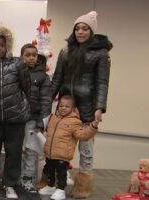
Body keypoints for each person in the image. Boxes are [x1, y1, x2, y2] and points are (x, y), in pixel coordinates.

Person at [50, 11, 113, 198]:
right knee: (60, 147)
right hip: (66, 107)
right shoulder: (65, 51)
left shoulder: (101, 53)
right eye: (77, 28)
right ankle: (53, 180)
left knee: (86, 150)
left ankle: (83, 185)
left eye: (85, 28)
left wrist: (99, 107)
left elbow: (102, 82)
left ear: (91, 31)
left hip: (87, 107)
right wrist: (47, 103)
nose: (80, 32)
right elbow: (57, 79)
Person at [0, 25, 31, 199]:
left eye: (3, 45)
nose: (0, 48)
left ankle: (10, 185)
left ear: (8, 45)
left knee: (13, 152)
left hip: (15, 118)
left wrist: (20, 106)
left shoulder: (18, 64)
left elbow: (27, 87)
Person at [38, 95, 99, 200]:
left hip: (63, 156)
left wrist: (93, 126)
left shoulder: (75, 122)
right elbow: (47, 130)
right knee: (48, 170)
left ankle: (60, 190)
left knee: (61, 173)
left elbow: (83, 135)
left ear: (73, 108)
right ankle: (50, 186)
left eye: (67, 106)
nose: (63, 108)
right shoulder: (53, 118)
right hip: (50, 154)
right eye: (61, 106)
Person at [19, 44, 51, 193]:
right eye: (28, 55)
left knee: (31, 150)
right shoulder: (15, 72)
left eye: (34, 55)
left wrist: (41, 121)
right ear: (22, 57)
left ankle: (28, 180)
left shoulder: (43, 76)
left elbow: (46, 100)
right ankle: (15, 179)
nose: (31, 58)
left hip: (33, 119)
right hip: (16, 120)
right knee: (16, 150)